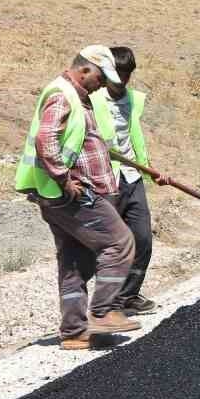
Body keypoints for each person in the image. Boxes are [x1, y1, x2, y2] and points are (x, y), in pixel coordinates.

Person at [14, 45, 140, 349]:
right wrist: (64, 178)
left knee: (74, 260)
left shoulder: (77, 97)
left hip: (56, 196)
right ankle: (102, 311)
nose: (102, 85)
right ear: (84, 69)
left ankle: (73, 331)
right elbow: (47, 138)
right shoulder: (62, 94)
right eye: (99, 77)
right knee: (120, 243)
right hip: (73, 194)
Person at [90, 46, 170, 314]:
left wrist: (149, 169)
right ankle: (105, 304)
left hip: (132, 176)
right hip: (105, 178)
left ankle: (128, 295)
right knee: (112, 244)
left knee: (143, 238)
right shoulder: (93, 99)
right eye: (118, 74)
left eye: (127, 74)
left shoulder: (133, 100)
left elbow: (134, 137)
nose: (122, 80)